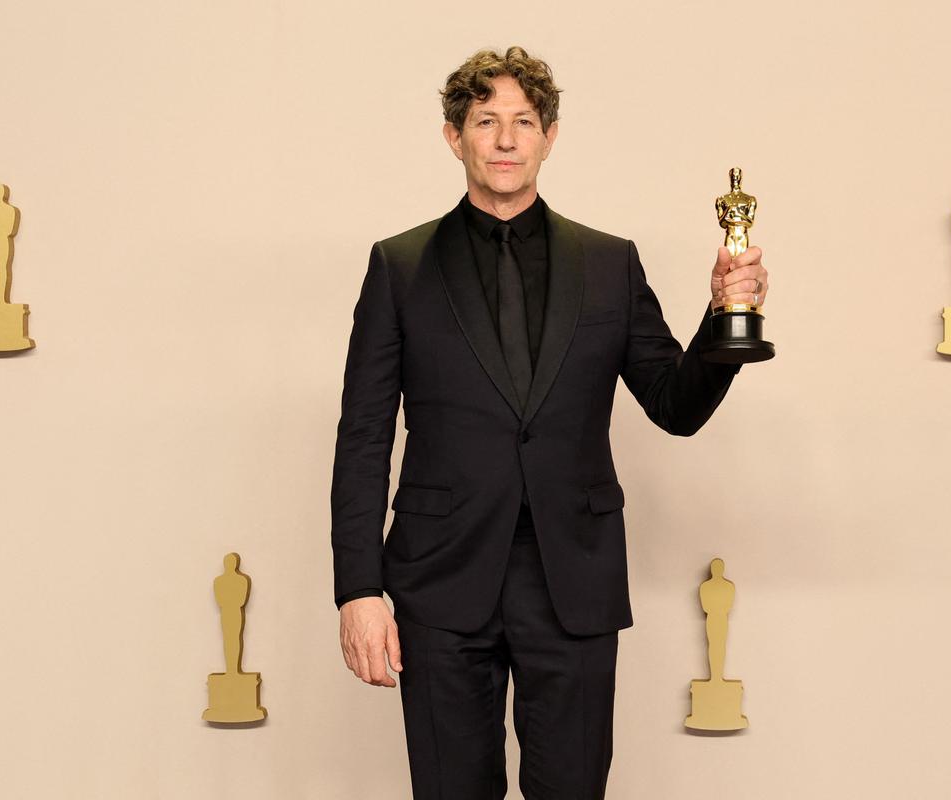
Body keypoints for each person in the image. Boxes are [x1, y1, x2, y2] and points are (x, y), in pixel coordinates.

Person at [330, 46, 770, 799]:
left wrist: (725, 315)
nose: (505, 139)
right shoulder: (399, 267)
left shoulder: (610, 264)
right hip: (440, 579)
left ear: (550, 135)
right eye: (486, 121)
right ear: (453, 136)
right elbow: (364, 437)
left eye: (523, 122)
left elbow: (676, 404)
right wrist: (358, 590)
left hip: (573, 574)